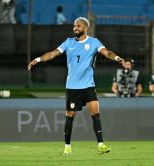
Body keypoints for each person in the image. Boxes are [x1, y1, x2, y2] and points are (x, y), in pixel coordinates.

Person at [27, 17, 124, 155]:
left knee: (96, 114)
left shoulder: (94, 42)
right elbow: (53, 53)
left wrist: (116, 57)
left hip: (88, 85)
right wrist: (38, 59)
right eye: (74, 26)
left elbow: (106, 52)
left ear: (86, 27)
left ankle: (101, 144)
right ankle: (67, 147)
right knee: (70, 116)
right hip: (72, 87)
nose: (75, 28)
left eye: (78, 26)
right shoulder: (69, 42)